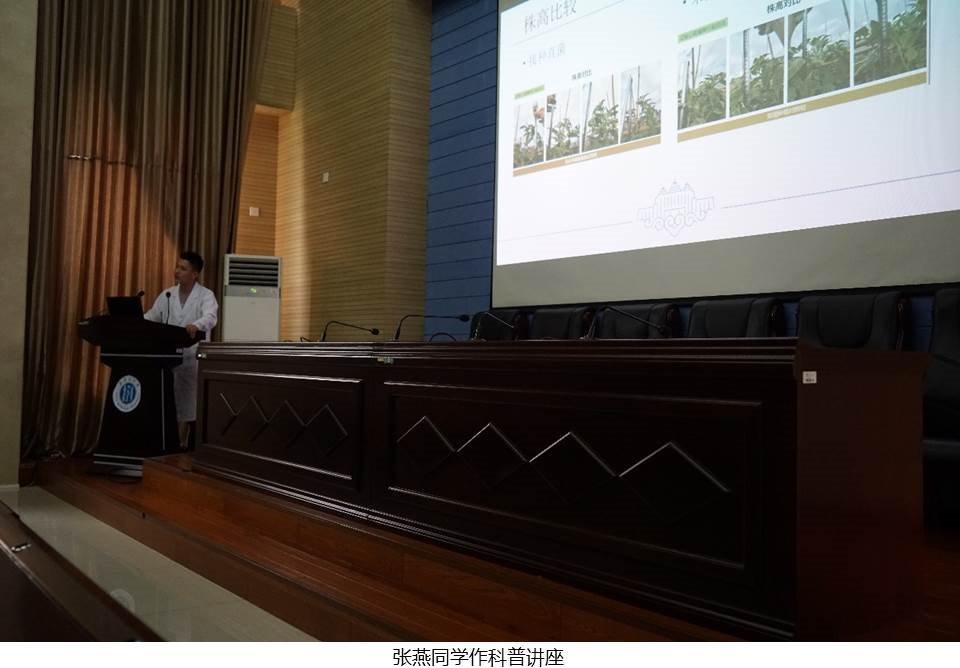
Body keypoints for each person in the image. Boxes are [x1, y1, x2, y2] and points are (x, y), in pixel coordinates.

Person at [144, 251, 219, 449]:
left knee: (194, 406)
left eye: (183, 268)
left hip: (194, 359)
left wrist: (197, 325)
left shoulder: (206, 295)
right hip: (170, 360)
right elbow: (152, 316)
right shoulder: (167, 295)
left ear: (195, 274)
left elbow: (211, 317)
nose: (177, 271)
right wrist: (135, 322)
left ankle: (195, 448)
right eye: (177, 267)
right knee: (171, 404)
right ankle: (170, 446)